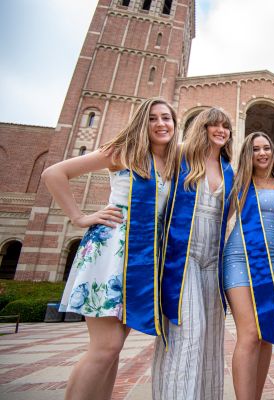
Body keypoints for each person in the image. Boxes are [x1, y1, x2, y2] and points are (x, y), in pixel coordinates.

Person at [42, 98, 178, 400]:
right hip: (110, 254)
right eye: (153, 118)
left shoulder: (171, 163)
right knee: (106, 347)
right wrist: (79, 217)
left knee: (113, 351)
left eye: (166, 118)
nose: (161, 124)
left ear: (174, 123)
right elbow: (53, 173)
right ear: (144, 123)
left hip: (142, 260)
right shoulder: (123, 152)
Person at [152, 108, 234, 399]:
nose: (221, 130)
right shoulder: (181, 155)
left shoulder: (228, 169)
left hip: (213, 260)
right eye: (215, 125)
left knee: (212, 338)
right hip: (182, 258)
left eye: (226, 126)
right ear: (203, 127)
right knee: (188, 333)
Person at [223, 131, 274, 400]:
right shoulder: (238, 182)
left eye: (266, 148)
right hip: (239, 258)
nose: (262, 153)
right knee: (249, 334)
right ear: (248, 154)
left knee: (266, 334)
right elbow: (218, 220)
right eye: (255, 149)